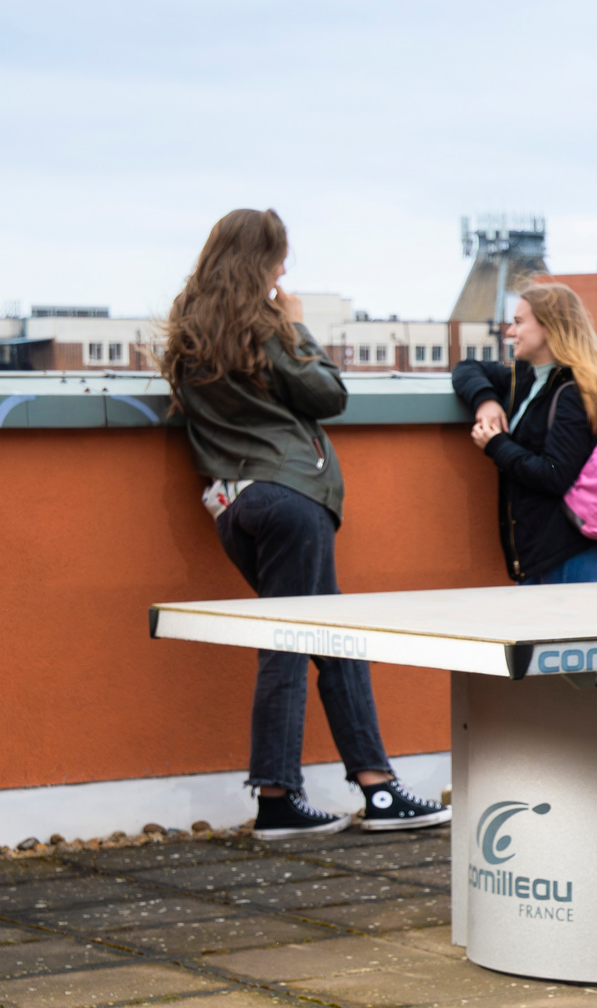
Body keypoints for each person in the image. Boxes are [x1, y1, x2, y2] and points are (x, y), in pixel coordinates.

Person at [160, 210, 451, 838]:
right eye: (279, 259)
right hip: (290, 496)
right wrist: (296, 328)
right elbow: (328, 395)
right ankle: (278, 797)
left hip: (235, 505)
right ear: (259, 262)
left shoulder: (189, 329)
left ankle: (375, 789)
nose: (284, 271)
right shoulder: (266, 326)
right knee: (293, 641)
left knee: (331, 633)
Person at [451, 284, 597, 585]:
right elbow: (466, 368)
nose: (509, 332)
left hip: (569, 551)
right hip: (545, 550)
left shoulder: (574, 392)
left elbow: (556, 475)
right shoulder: (528, 379)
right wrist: (486, 400)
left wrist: (496, 444)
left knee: (568, 631)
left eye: (518, 322)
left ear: (549, 326)